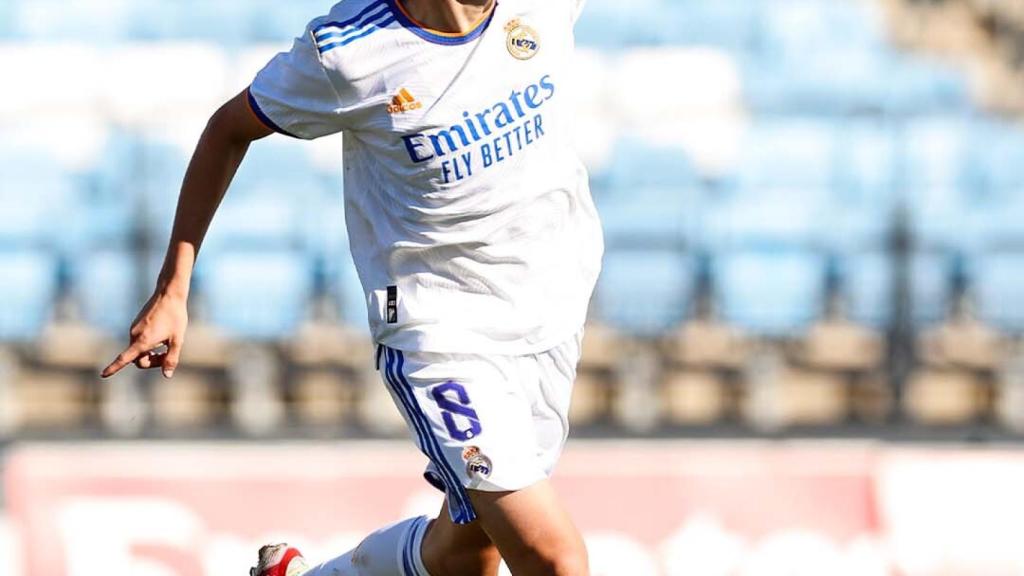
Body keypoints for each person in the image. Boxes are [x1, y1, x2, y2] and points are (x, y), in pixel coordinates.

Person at [101, 0, 603, 573]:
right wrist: (173, 288)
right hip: (443, 335)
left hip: (552, 310)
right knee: (554, 557)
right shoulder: (349, 52)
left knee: (469, 549)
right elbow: (227, 130)